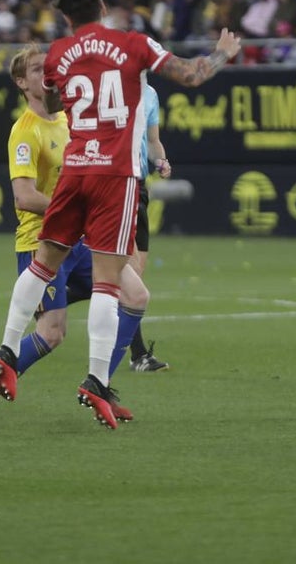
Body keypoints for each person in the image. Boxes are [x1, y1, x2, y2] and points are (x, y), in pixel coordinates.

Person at [0, 0, 240, 429]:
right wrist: (222, 53)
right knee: (108, 283)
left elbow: (56, 94)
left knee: (43, 264)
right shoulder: (133, 43)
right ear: (102, 7)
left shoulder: (59, 53)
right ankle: (95, 380)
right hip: (114, 174)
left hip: (75, 168)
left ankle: (6, 349)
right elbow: (192, 74)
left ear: (66, 17)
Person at [0, 45, 142, 427]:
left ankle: (101, 386)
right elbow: (24, 197)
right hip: (43, 242)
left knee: (136, 296)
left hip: (83, 237)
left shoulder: (70, 118)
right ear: (22, 83)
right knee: (52, 333)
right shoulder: (24, 132)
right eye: (38, 69)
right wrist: (79, 214)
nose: (48, 73)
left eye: (50, 67)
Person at [125, 82, 172, 373]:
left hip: (140, 186)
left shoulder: (150, 93)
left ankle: (68, 290)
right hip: (119, 185)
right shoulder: (110, 84)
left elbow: (153, 140)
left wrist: (161, 160)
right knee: (128, 276)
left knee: (135, 275)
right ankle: (138, 354)